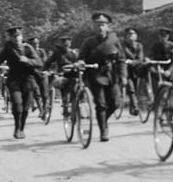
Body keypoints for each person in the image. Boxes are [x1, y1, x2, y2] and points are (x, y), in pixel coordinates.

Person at [78, 13, 123, 142]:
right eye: (97, 25)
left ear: (107, 26)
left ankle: (102, 120)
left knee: (115, 103)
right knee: (101, 104)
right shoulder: (89, 42)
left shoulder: (114, 40)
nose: (100, 27)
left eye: (102, 25)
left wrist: (123, 75)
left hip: (111, 75)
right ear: (93, 27)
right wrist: (81, 62)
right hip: (95, 75)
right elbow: (81, 57)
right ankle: (104, 130)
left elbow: (121, 59)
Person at [0, 26, 42, 140]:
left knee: (25, 108)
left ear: (21, 37)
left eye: (18, 36)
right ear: (10, 38)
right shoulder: (8, 48)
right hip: (14, 79)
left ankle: (21, 129)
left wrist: (28, 60)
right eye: (13, 37)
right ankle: (17, 128)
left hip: (28, 80)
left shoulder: (28, 48)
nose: (16, 39)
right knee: (17, 104)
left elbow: (39, 62)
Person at [45, 36, 79, 117]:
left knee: (77, 86)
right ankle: (66, 107)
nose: (66, 45)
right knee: (65, 85)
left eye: (67, 43)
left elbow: (79, 62)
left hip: (73, 73)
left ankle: (77, 105)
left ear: (70, 44)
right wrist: (45, 70)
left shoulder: (74, 53)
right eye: (64, 43)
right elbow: (49, 61)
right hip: (62, 74)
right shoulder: (57, 52)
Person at [120, 27, 145, 116]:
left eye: (133, 34)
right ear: (125, 36)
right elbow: (121, 57)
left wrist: (133, 62)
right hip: (126, 70)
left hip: (136, 69)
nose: (131, 36)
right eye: (129, 34)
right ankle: (135, 107)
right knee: (131, 88)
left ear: (136, 36)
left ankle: (133, 106)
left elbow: (140, 59)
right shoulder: (122, 46)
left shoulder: (139, 46)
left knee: (136, 88)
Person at [27, 36, 49, 117]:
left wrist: (46, 70)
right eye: (34, 44)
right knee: (36, 92)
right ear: (30, 45)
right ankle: (41, 110)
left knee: (45, 94)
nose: (36, 45)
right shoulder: (28, 53)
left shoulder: (41, 51)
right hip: (32, 74)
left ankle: (44, 109)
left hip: (42, 73)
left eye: (37, 43)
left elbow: (45, 61)